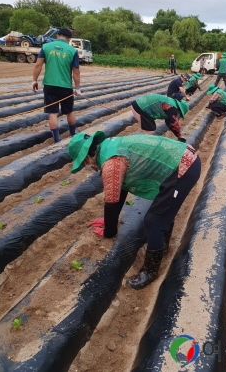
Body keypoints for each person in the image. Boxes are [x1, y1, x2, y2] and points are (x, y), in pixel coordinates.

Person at [67, 132, 201, 290]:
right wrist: (109, 220)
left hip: (184, 168)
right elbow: (119, 190)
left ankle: (150, 271)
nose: (86, 167)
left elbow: (112, 200)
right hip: (181, 158)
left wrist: (109, 230)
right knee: (163, 210)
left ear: (87, 158)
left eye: (83, 163)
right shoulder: (109, 146)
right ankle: (162, 246)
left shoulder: (111, 163)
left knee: (154, 221)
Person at [32, 28, 81, 143]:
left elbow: (38, 65)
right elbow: (76, 71)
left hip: (49, 85)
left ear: (58, 35)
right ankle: (73, 133)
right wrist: (77, 88)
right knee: (69, 110)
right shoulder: (72, 51)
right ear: (69, 39)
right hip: (65, 86)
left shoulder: (46, 47)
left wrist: (34, 80)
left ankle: (56, 138)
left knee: (53, 112)